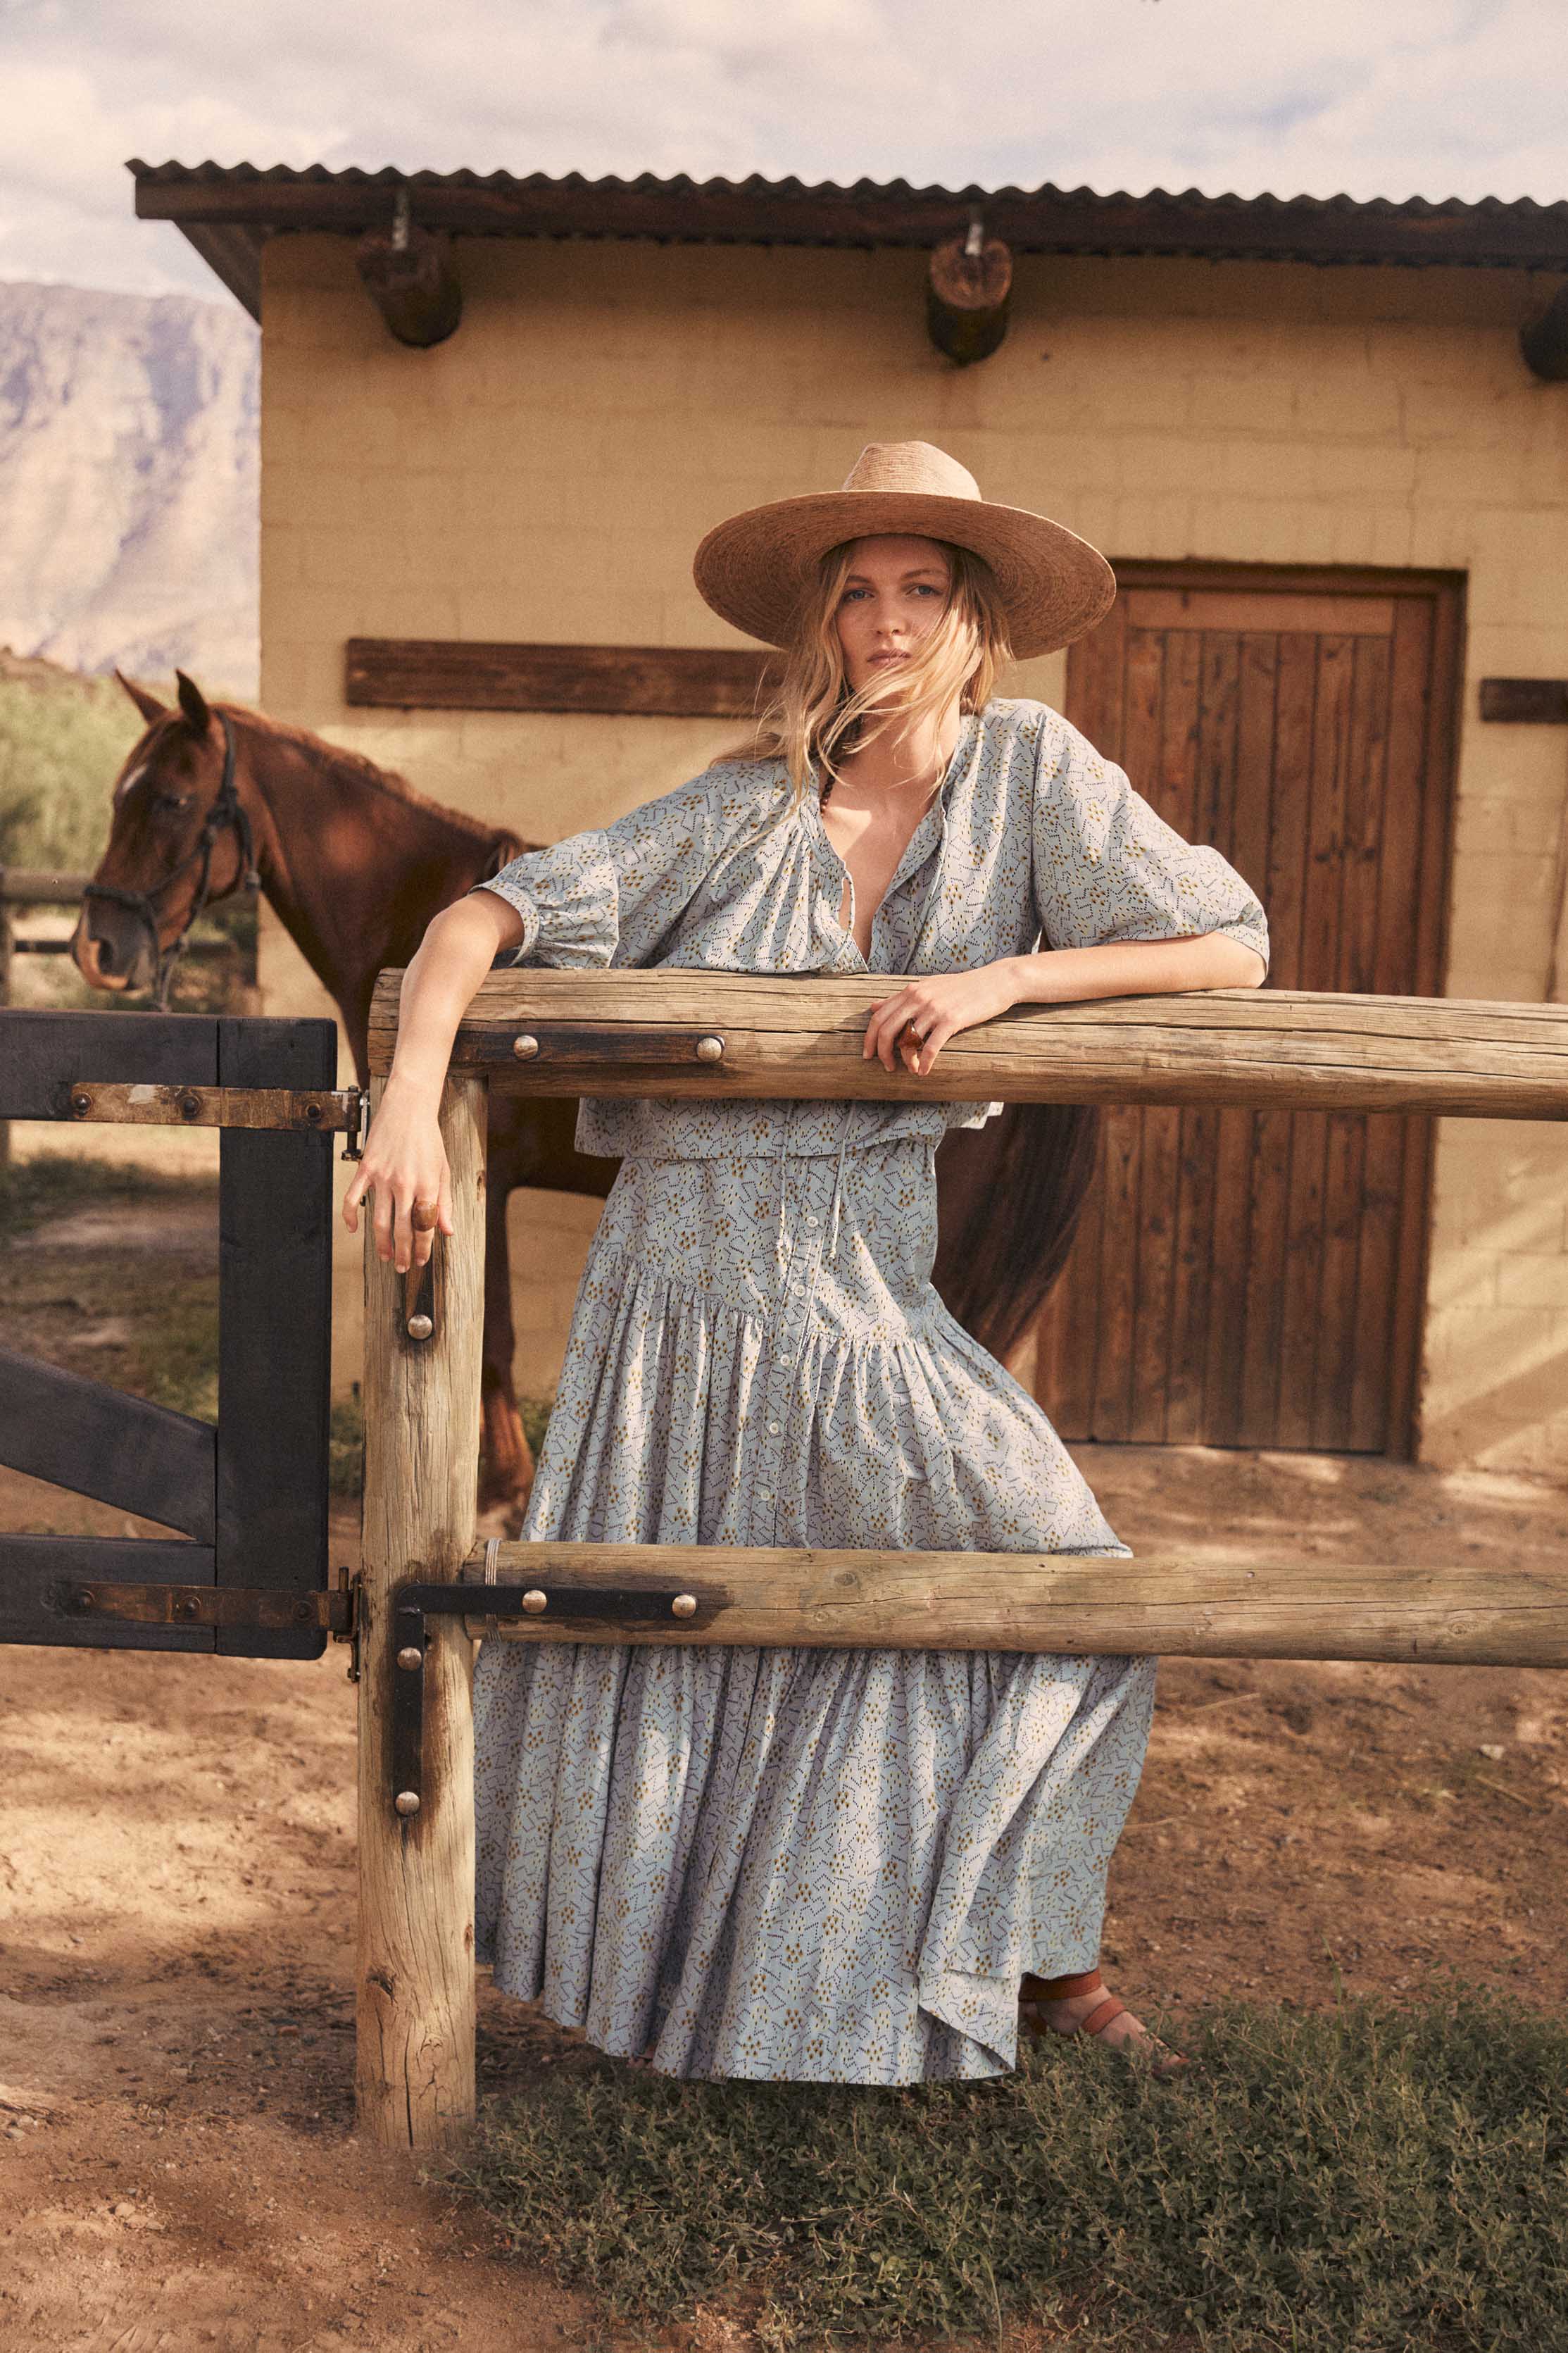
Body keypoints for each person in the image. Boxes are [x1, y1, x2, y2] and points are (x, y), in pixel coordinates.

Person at [344, 440, 1269, 2085]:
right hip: (679, 1299)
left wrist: (1003, 982)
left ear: (975, 619)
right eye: (858, 592)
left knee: (1074, 1586)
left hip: (864, 1299)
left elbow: (1232, 943)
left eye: (923, 589)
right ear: (824, 623)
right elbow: (486, 917)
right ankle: (708, 2014)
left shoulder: (1031, 774)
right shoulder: (741, 805)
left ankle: (1028, 1952)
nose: (889, 621)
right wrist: (408, 1101)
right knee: (689, 1652)